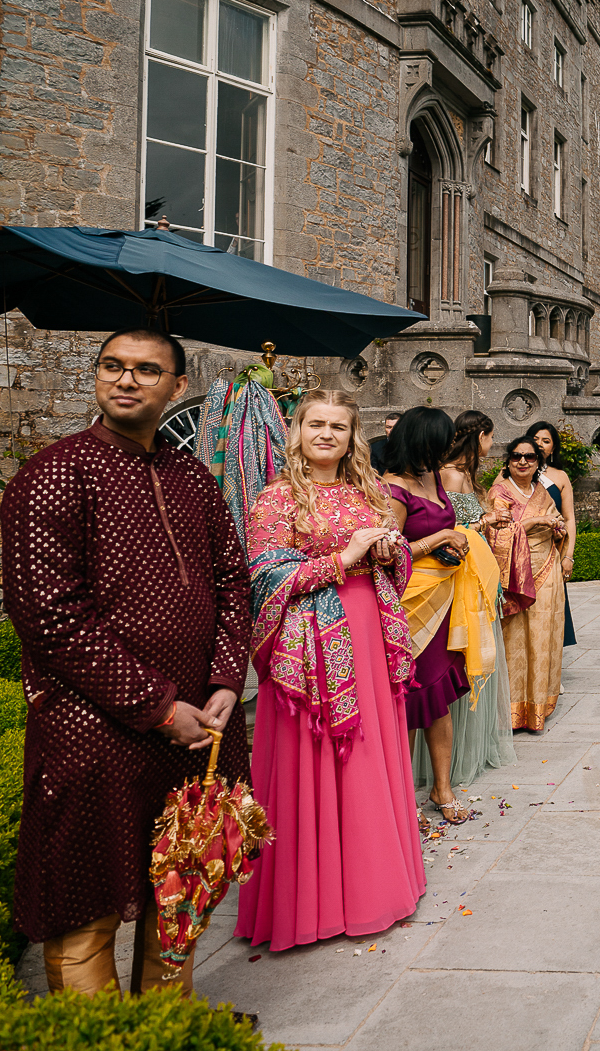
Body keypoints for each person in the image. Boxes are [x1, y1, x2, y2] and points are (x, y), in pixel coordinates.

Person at [4, 328, 251, 996]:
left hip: (200, 726)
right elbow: (51, 620)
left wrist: (227, 678)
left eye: (146, 370)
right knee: (88, 904)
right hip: (94, 731)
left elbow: (234, 579)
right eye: (113, 366)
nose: (126, 380)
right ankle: (98, 1040)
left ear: (176, 387)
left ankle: (166, 1028)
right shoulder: (55, 473)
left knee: (181, 890)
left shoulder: (190, 476)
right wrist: (159, 706)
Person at [237, 389, 426, 952]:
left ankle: (374, 885)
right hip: (309, 646)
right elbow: (263, 577)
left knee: (370, 751)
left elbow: (398, 563)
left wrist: (391, 552)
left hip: (367, 632)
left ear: (351, 439)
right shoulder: (275, 499)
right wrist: (342, 560)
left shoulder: (367, 493)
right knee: (310, 757)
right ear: (296, 432)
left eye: (338, 427)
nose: (326, 434)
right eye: (315, 424)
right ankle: (312, 899)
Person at [379, 407, 474, 822]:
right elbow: (387, 554)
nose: (448, 450)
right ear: (421, 441)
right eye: (442, 442)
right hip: (409, 605)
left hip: (443, 599)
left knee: (438, 698)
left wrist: (456, 545)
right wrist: (439, 538)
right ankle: (400, 795)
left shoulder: (433, 477)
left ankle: (441, 787)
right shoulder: (392, 489)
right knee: (407, 698)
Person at [419, 409, 516, 794]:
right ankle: (452, 759)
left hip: (479, 574)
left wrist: (486, 520)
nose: (492, 445)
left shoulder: (467, 476)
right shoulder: (449, 473)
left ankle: (471, 749)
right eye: (491, 437)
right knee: (464, 656)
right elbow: (447, 529)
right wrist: (485, 522)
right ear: (481, 437)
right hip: (458, 578)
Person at [486, 436, 569, 729]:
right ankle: (511, 710)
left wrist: (556, 527)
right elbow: (495, 534)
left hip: (547, 569)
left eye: (530, 457)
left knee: (544, 634)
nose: (523, 461)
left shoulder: (542, 493)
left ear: (538, 463)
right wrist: (533, 525)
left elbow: (557, 519)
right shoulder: (500, 492)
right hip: (514, 576)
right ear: (508, 461)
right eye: (517, 456)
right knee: (516, 639)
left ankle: (538, 705)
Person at [526, 421, 579, 648]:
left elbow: (569, 519)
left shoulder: (560, 477)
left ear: (553, 448)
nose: (540, 444)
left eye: (546, 441)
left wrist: (568, 556)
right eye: (535, 439)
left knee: (552, 606)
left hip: (551, 552)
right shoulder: (509, 474)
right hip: (521, 550)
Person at [368, 409, 400, 474]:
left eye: (395, 427)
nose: (392, 431)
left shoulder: (412, 447)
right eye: (388, 427)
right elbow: (373, 474)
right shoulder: (375, 448)